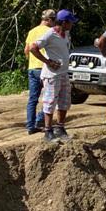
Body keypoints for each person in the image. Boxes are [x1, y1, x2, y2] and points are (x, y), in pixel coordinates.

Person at [30, 9, 78, 144]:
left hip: (63, 73)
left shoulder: (66, 34)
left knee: (64, 101)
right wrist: (48, 61)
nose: (72, 25)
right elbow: (33, 48)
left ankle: (60, 128)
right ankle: (48, 131)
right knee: (50, 101)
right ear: (63, 22)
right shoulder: (50, 34)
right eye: (70, 22)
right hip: (52, 74)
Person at [23, 8, 55, 134]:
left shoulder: (32, 31)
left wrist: (31, 61)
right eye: (53, 19)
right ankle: (40, 119)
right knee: (50, 96)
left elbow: (26, 50)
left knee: (33, 98)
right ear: (48, 20)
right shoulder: (50, 32)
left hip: (32, 68)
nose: (55, 22)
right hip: (45, 68)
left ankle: (31, 126)